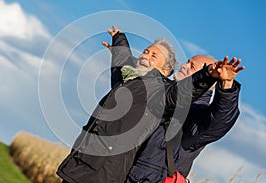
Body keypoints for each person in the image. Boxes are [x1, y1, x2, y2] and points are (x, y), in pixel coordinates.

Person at [57, 26, 227, 183]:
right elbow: (122, 68)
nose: (145, 55)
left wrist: (208, 75)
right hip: (82, 162)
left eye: (154, 56)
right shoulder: (132, 83)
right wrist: (119, 41)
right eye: (145, 51)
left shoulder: (161, 92)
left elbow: (182, 93)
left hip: (103, 173)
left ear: (165, 71)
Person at [107, 30, 244, 182]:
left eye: (192, 66)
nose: (184, 66)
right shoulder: (166, 94)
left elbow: (220, 121)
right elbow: (126, 86)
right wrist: (120, 48)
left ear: (207, 76)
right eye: (187, 61)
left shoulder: (196, 113)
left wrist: (227, 85)